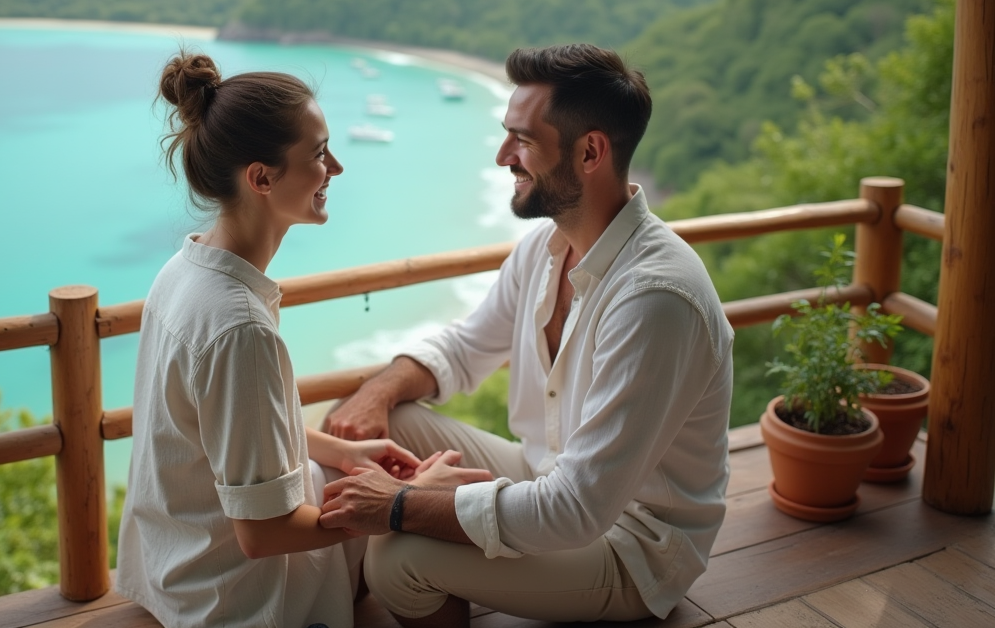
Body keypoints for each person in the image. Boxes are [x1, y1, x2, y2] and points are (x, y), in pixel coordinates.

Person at [319, 43, 734, 626]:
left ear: (590, 151)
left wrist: (403, 507)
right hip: (549, 478)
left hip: (631, 548)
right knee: (375, 424)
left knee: (399, 558)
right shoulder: (547, 248)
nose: (501, 156)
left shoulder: (655, 298)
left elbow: (575, 511)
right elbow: (466, 347)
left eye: (523, 140)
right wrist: (380, 390)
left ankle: (424, 585)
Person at [116, 52, 484, 628]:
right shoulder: (239, 327)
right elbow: (262, 535)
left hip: (177, 567)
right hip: (242, 597)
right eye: (317, 154)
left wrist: (342, 455)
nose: (334, 167)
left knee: (371, 487)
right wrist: (405, 508)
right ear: (261, 178)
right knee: (429, 543)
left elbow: (225, 431)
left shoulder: (186, 270)